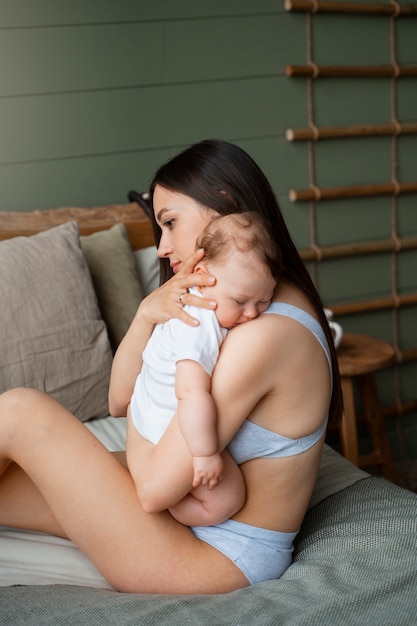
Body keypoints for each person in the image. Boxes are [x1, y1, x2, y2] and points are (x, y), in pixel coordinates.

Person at [0, 139, 342, 594]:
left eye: (170, 223)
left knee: (21, 413)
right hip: (191, 518)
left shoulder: (263, 335)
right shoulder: (233, 310)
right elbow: (119, 402)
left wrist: (114, 459)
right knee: (10, 487)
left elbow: (154, 488)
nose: (162, 248)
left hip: (215, 561)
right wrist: (146, 314)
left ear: (222, 207)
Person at [127, 211, 278, 526]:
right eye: (240, 301)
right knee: (227, 499)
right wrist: (204, 454)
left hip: (149, 410)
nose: (251, 314)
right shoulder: (200, 323)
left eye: (263, 302)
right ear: (204, 275)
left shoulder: (210, 296)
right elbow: (190, 392)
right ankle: (177, 510)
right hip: (162, 423)